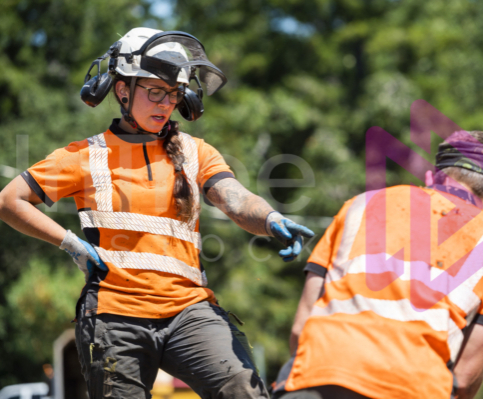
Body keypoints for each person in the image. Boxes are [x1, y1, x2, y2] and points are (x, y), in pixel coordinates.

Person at [0, 27, 314, 399]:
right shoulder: (84, 156)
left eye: (174, 93)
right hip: (114, 314)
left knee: (241, 388)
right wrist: (71, 244)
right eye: (154, 91)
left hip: (189, 311)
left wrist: (269, 218)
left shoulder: (197, 152)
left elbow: (234, 198)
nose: (165, 103)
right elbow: (10, 201)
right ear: (122, 90)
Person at [272, 130, 483, 399]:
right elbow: (463, 378)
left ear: (431, 177)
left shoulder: (359, 206)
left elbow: (301, 326)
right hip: (413, 388)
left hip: (318, 375)